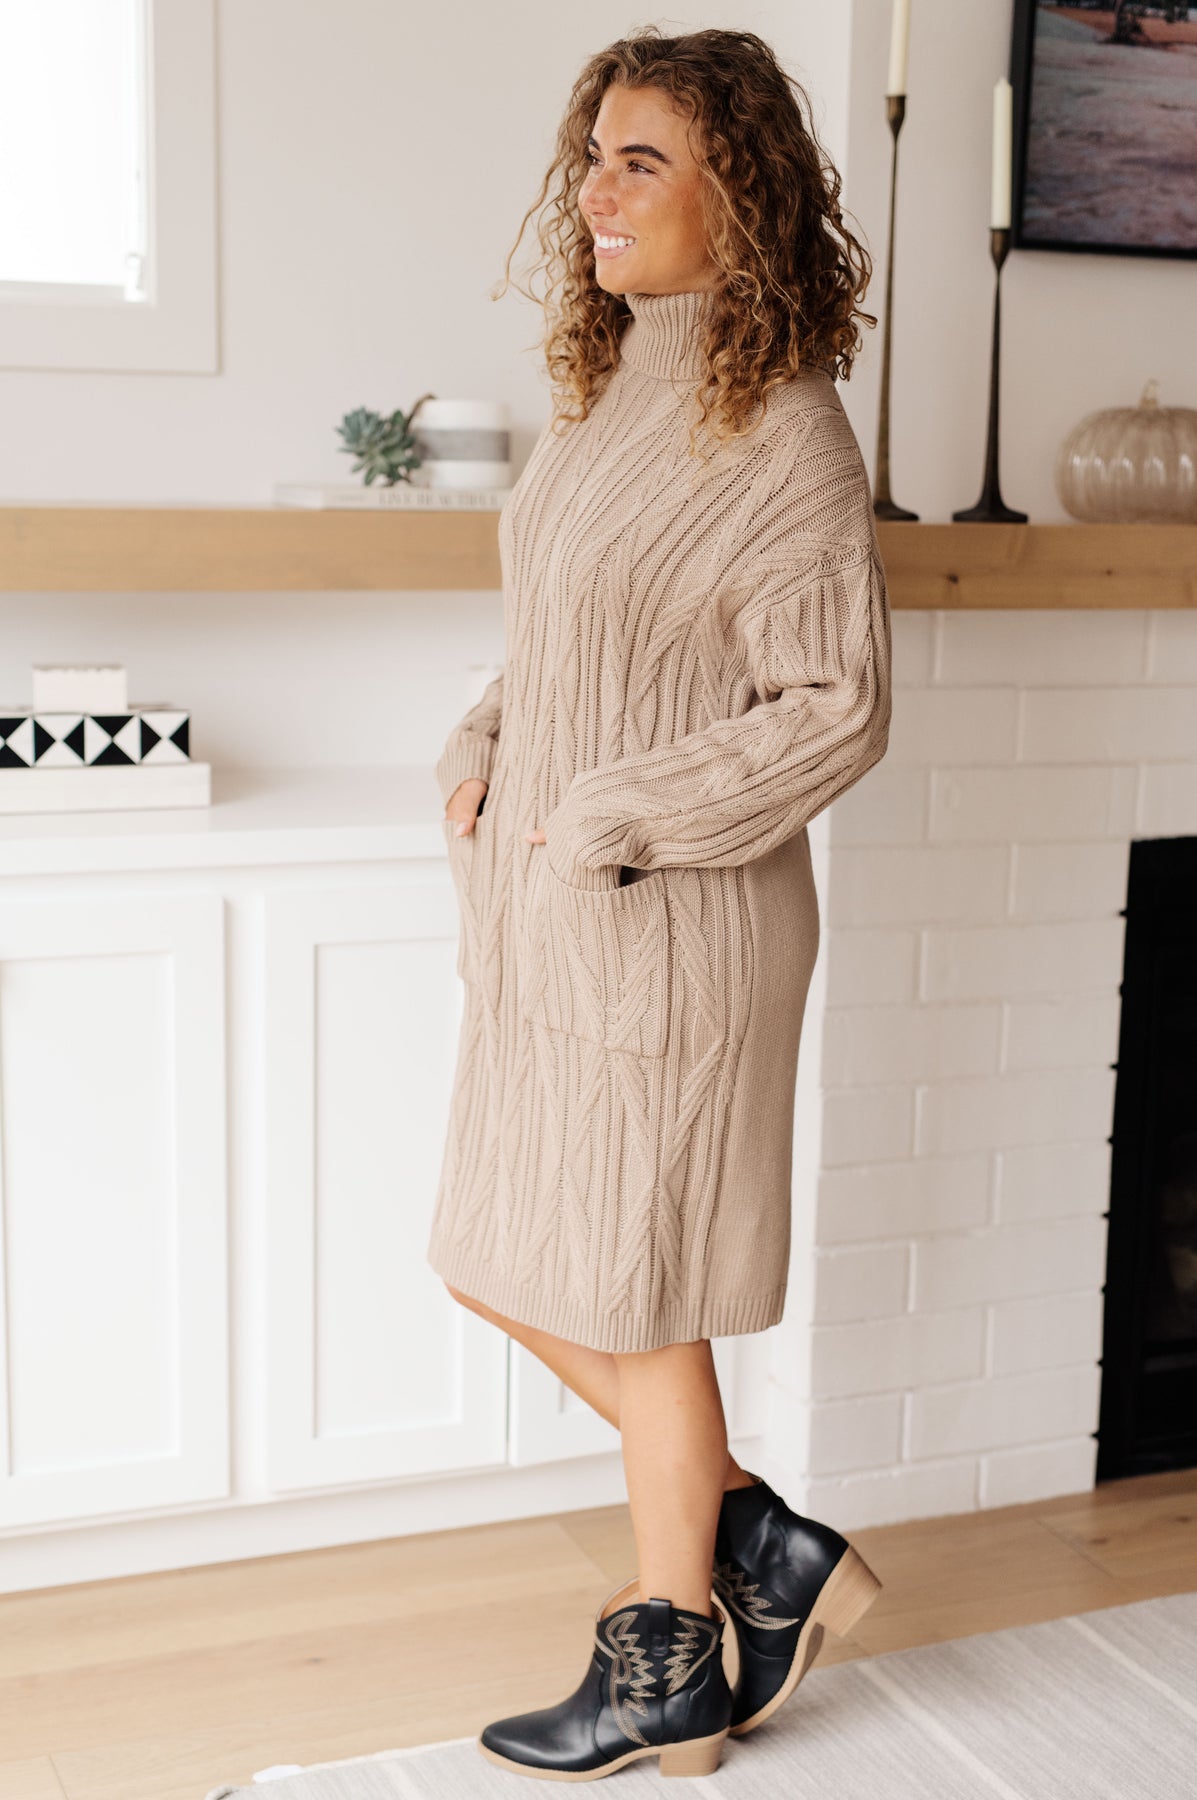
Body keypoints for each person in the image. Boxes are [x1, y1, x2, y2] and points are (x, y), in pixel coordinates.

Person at [432, 25, 891, 1782]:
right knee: (498, 1254)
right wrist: (488, 738)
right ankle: (756, 1544)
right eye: (594, 157)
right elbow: (565, 639)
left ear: (737, 197)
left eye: (642, 163)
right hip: (555, 907)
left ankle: (666, 1673)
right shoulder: (612, 378)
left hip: (673, 920)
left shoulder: (782, 433)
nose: (596, 195)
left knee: (636, 1297)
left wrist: (614, 810)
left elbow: (832, 703)